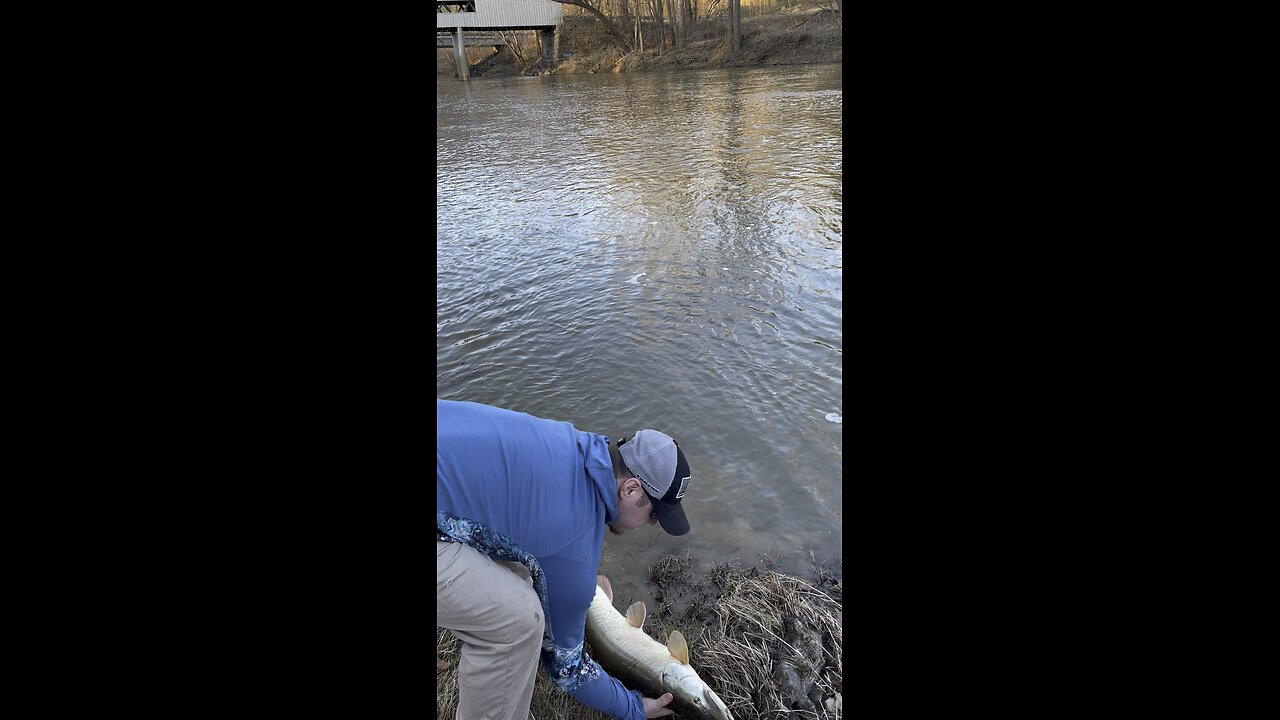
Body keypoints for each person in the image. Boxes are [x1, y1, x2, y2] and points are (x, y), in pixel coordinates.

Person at [437, 399, 695, 720]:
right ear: (630, 489)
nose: (652, 524)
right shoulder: (574, 541)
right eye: (654, 513)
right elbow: (569, 668)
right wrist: (632, 706)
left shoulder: (568, 442)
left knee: (520, 570)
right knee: (517, 625)